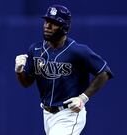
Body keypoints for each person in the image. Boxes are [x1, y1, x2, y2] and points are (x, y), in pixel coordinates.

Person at [14, 4, 113, 135]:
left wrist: (83, 98)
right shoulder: (36, 50)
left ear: (64, 27)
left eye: (53, 23)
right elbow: (26, 83)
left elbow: (104, 72)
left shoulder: (77, 50)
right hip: (47, 114)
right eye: (46, 21)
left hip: (69, 113)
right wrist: (19, 71)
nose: (47, 26)